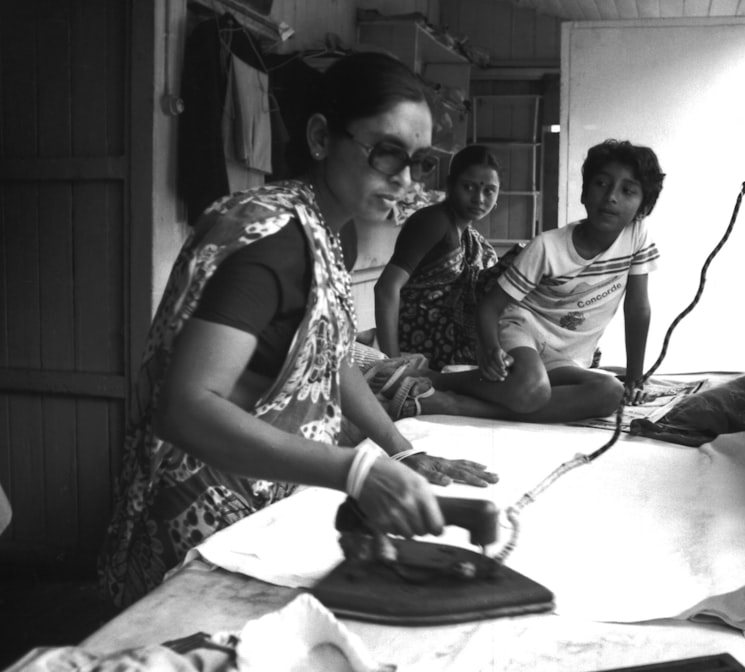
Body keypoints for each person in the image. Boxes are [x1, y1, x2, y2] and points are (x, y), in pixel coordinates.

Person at [97, 52, 498, 609]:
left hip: (260, 497)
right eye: (387, 154)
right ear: (319, 137)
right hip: (205, 515)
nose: (405, 181)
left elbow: (328, 361)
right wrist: (355, 469)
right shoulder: (276, 238)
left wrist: (400, 454)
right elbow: (185, 406)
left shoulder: (329, 233)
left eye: (421, 163)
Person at [385, 139, 664, 423]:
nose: (612, 197)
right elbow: (485, 305)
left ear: (643, 206)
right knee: (531, 389)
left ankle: (460, 400)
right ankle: (444, 385)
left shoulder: (637, 235)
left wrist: (634, 378)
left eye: (627, 191)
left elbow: (638, 307)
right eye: (601, 184)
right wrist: (489, 349)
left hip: (563, 354)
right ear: (583, 192)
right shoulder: (545, 246)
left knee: (609, 392)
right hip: (518, 331)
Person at [374, 145, 502, 370]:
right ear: (450, 185)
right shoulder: (434, 221)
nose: (479, 198)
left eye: (489, 190)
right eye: (468, 187)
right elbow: (386, 288)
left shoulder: (469, 237)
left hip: (447, 347)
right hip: (415, 344)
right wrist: (393, 362)